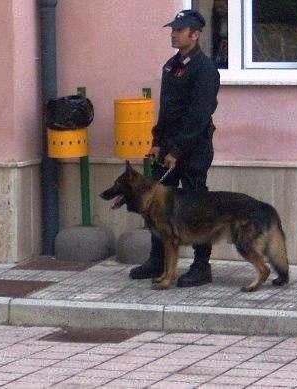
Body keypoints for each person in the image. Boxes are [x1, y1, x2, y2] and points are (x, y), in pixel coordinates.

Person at [127, 9, 219, 288]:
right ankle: (158, 260)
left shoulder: (204, 69)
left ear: (195, 34)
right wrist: (157, 142)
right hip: (168, 147)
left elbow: (198, 115)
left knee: (196, 207)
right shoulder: (171, 65)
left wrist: (177, 151)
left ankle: (201, 266)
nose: (174, 34)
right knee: (157, 204)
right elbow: (167, 110)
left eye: (180, 30)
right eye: (173, 30)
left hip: (193, 148)